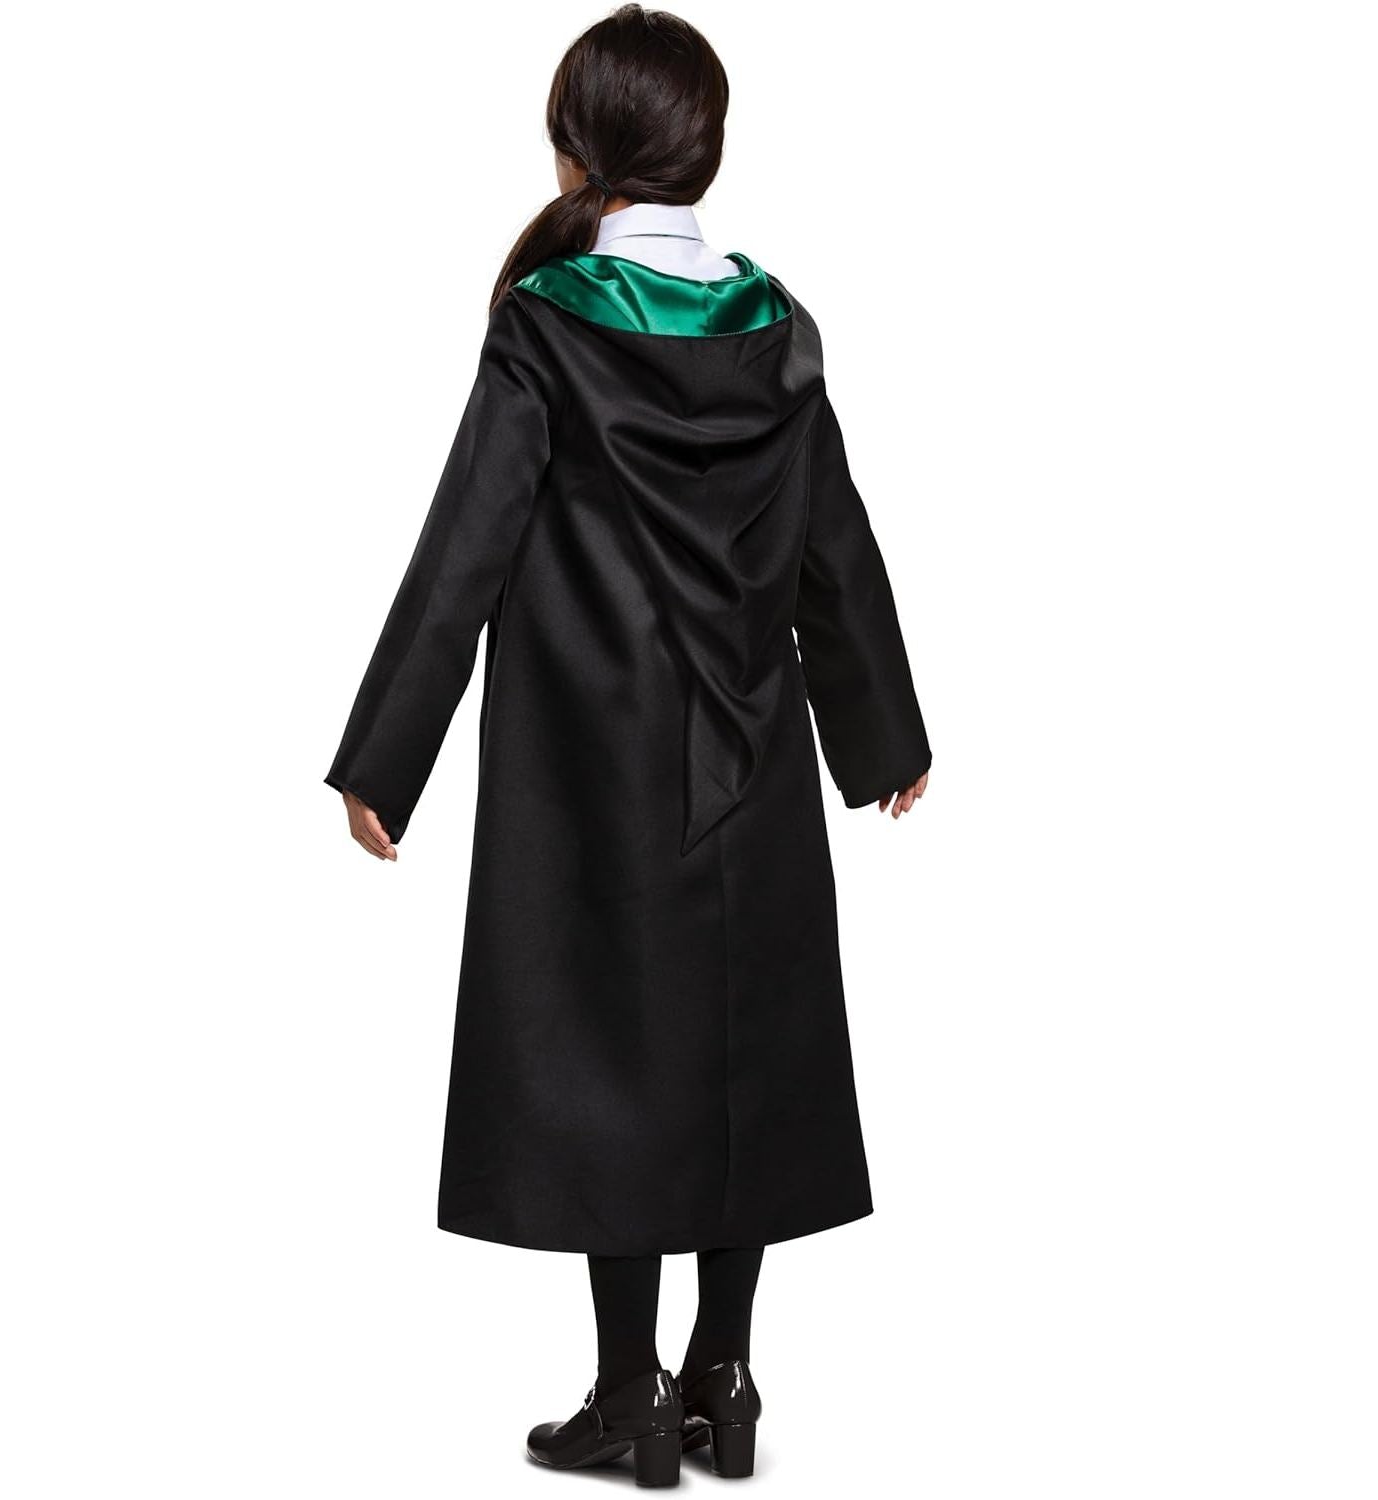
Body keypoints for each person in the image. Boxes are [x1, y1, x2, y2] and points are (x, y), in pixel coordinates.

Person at [324, 5, 931, 1486]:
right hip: (753, 748)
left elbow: (468, 543)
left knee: (618, 1056)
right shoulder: (776, 322)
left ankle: (631, 1395)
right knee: (741, 1050)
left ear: (575, 146)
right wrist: (884, 735)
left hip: (595, 763)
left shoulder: (548, 322)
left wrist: (385, 757)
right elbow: (833, 546)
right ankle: (725, 1376)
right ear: (707, 149)